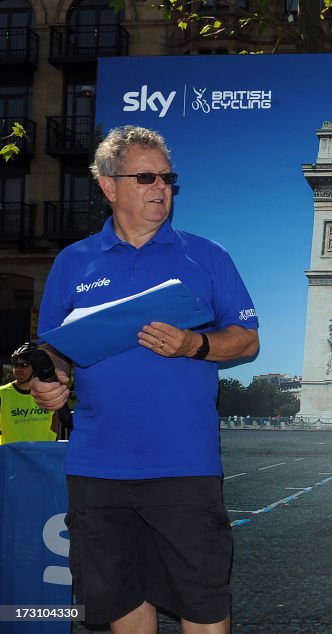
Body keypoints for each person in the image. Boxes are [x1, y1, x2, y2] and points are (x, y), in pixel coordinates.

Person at [31, 125, 259, 633]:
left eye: (168, 178)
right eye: (147, 177)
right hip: (98, 466)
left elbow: (247, 339)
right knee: (120, 604)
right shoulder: (72, 263)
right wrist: (52, 381)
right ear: (109, 185)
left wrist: (194, 344)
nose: (162, 188)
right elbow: (55, 351)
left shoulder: (208, 256)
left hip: (183, 463)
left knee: (203, 607)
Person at [0, 343, 57, 444]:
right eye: (16, 365)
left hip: (42, 455)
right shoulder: (2, 394)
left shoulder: (48, 391)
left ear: (36, 367)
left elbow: (54, 423)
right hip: (12, 456)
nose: (18, 369)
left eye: (24, 365)